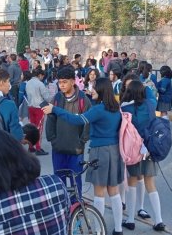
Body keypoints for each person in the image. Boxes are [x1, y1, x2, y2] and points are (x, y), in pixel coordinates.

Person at [43, 77, 125, 235]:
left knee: (99, 193)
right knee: (114, 191)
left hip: (100, 151)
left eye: (94, 88)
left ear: (101, 90)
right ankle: (119, 229)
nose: (91, 90)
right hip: (115, 151)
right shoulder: (116, 107)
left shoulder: (98, 109)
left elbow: (76, 120)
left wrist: (55, 109)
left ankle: (97, 229)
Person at [120, 81, 166, 232]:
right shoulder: (150, 105)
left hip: (134, 149)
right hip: (149, 148)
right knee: (150, 184)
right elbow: (152, 98)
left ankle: (131, 219)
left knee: (133, 182)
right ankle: (159, 220)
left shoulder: (125, 108)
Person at [45, 66, 91, 202]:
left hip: (76, 149)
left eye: (64, 82)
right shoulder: (57, 99)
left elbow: (87, 123)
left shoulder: (83, 99)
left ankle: (77, 206)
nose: (62, 85)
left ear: (73, 81)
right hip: (58, 148)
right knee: (60, 181)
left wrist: (81, 141)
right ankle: (62, 206)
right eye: (59, 82)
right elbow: (50, 120)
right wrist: (53, 139)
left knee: (76, 180)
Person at [25, 68, 53, 155]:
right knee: (39, 128)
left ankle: (31, 146)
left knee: (31, 127)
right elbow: (47, 97)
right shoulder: (40, 84)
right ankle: (38, 148)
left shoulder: (28, 83)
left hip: (30, 106)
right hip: (39, 107)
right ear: (40, 75)